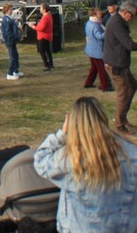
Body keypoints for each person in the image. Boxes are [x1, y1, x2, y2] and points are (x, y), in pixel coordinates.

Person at [34, 96, 137, 232]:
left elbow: (40, 160)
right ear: (103, 118)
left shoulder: (71, 160)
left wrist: (62, 135)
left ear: (72, 124)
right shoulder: (131, 152)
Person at [103, 0, 137, 134]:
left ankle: (122, 118)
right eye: (131, 15)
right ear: (124, 12)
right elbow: (128, 44)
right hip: (115, 65)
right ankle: (119, 125)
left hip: (121, 63)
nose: (132, 18)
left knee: (133, 86)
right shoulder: (116, 23)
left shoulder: (119, 21)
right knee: (123, 94)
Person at [84, 8, 112, 91]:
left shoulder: (89, 23)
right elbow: (99, 36)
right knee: (102, 70)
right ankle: (105, 86)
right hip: (97, 51)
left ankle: (88, 83)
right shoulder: (95, 25)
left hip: (91, 50)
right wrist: (108, 32)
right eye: (99, 13)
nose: (101, 15)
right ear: (94, 14)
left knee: (94, 68)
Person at [28, 3, 54, 71]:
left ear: (44, 10)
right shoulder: (49, 16)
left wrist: (33, 26)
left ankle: (47, 65)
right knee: (47, 50)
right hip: (47, 35)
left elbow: (41, 28)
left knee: (42, 51)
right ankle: (51, 63)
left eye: (41, 8)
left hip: (43, 36)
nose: (40, 9)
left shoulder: (45, 17)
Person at [1, 4, 23, 80]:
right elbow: (8, 32)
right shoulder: (6, 19)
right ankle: (10, 73)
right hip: (10, 41)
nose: (12, 11)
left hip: (13, 40)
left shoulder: (10, 18)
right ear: (6, 11)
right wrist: (17, 37)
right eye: (10, 9)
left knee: (16, 55)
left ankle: (15, 70)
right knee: (12, 57)